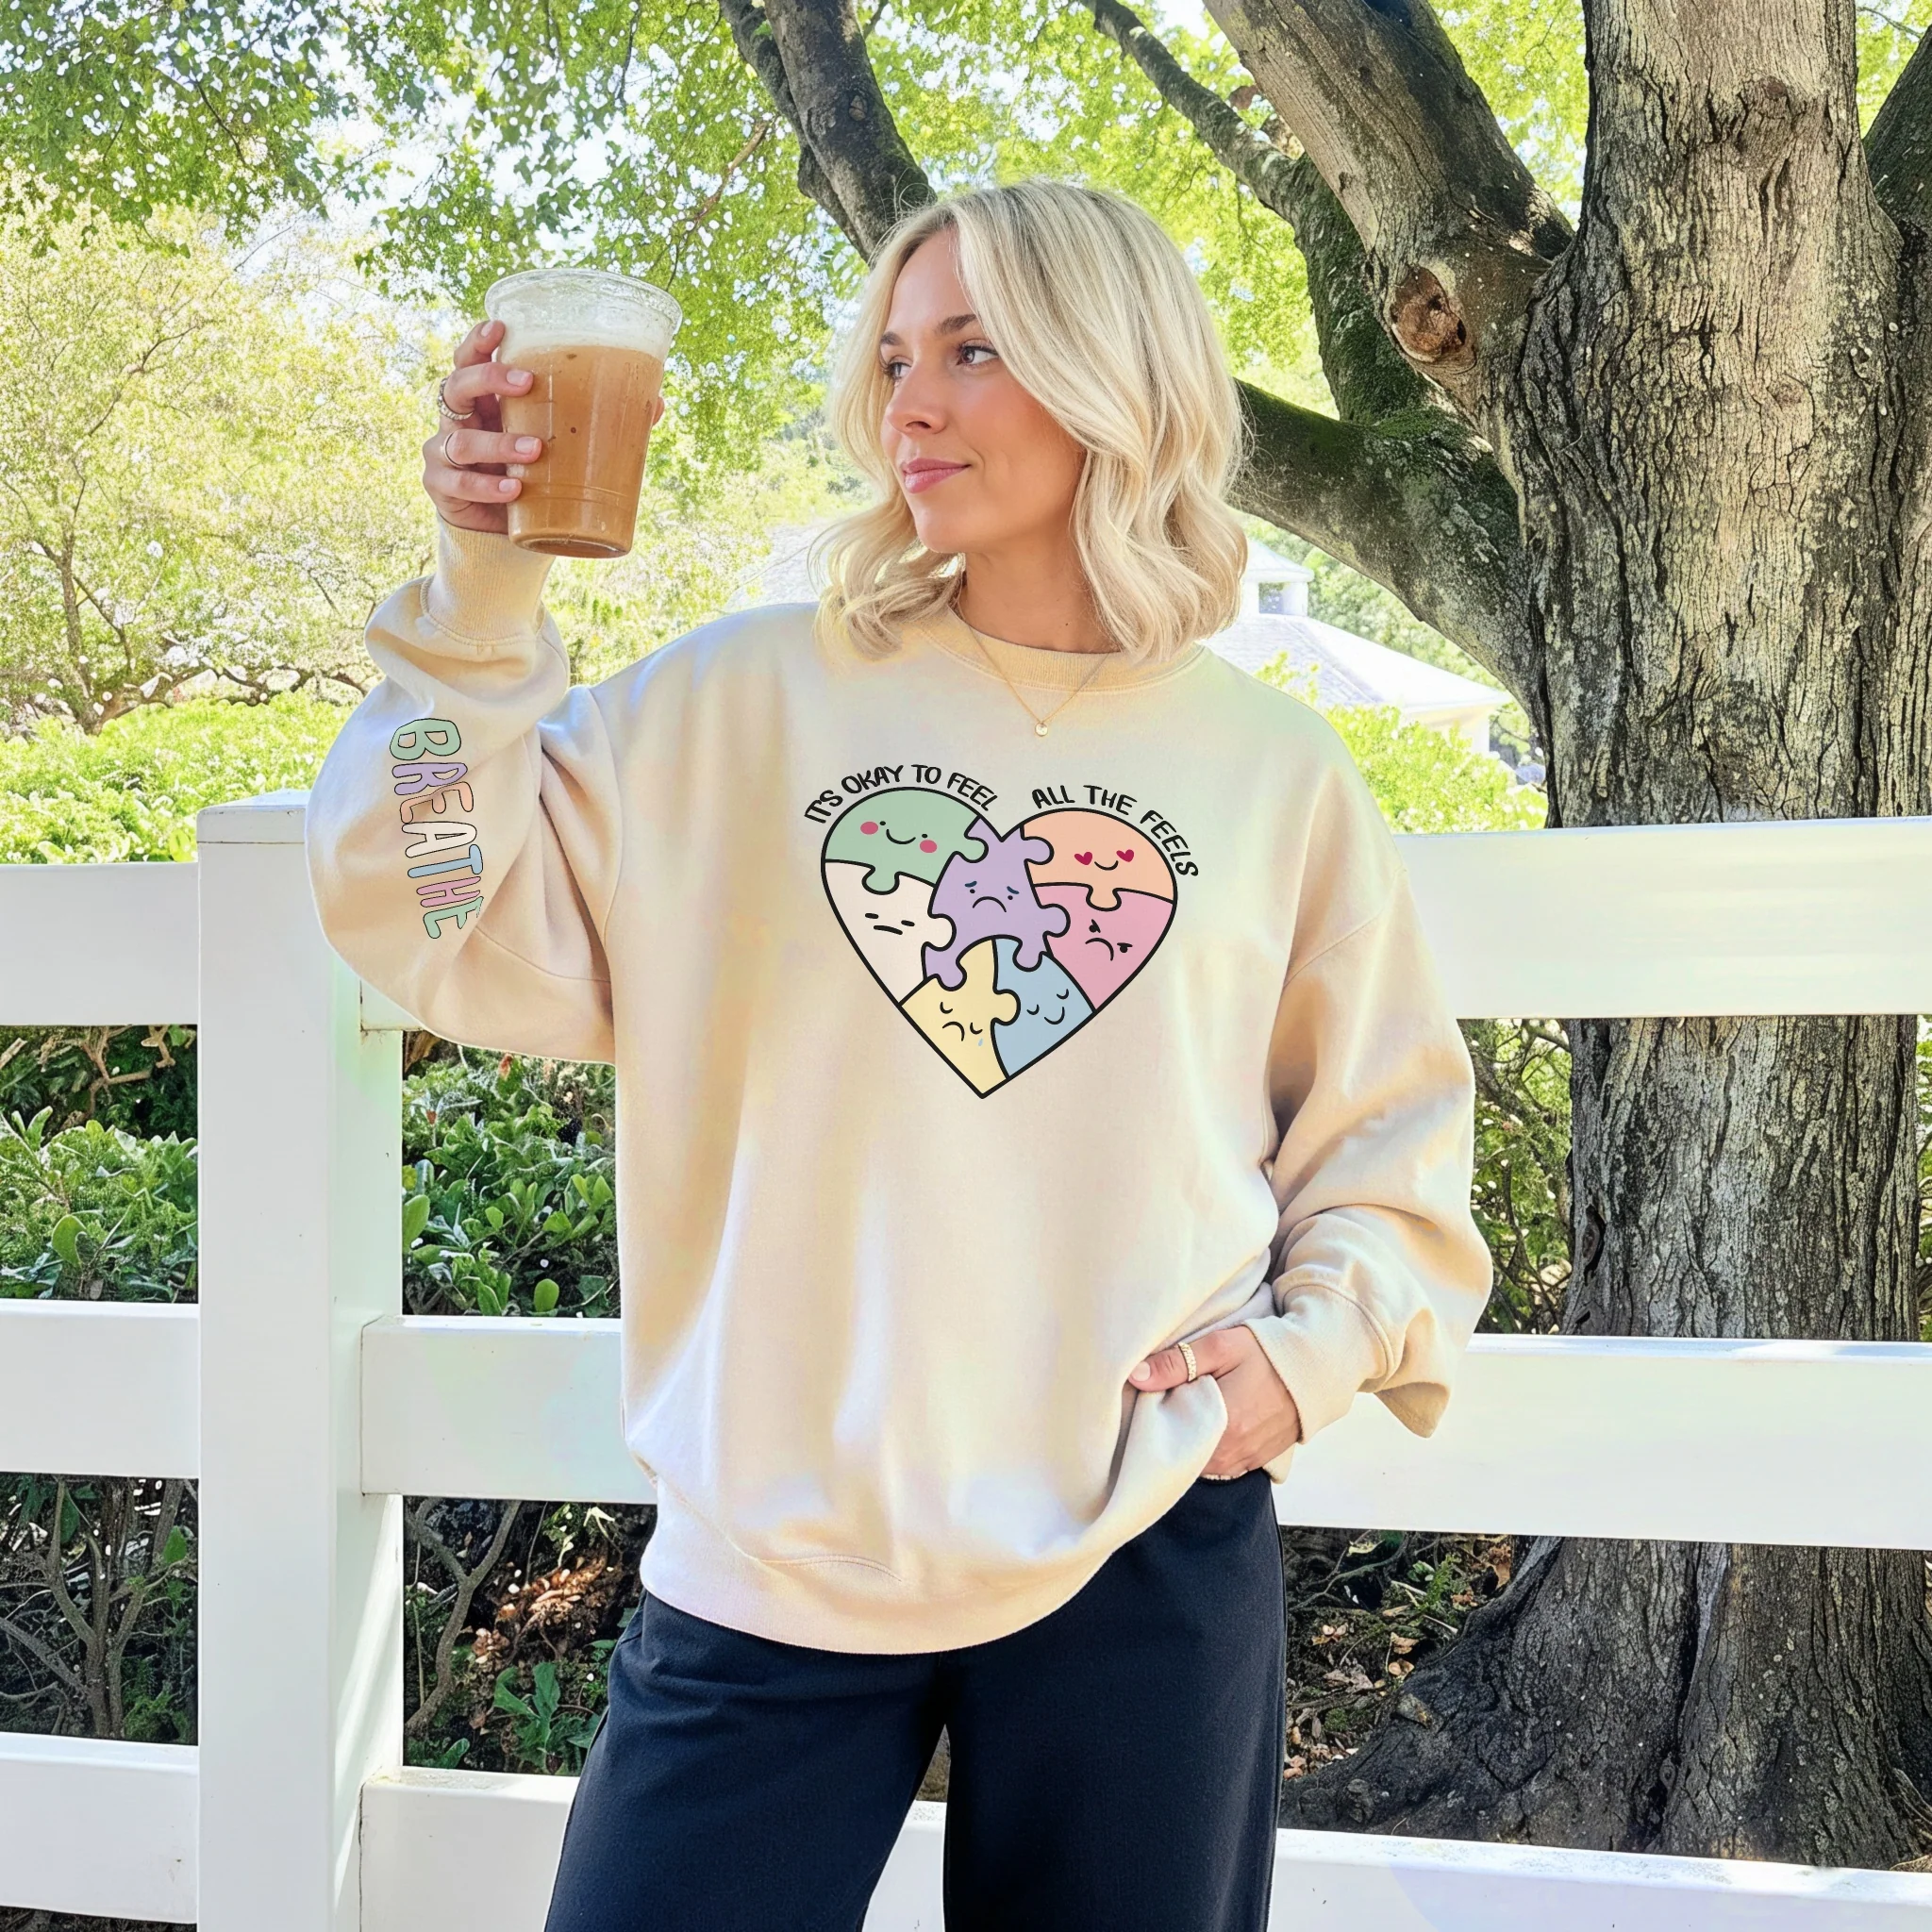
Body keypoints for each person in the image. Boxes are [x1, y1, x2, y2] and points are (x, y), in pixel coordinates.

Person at [306, 176, 1491, 1932]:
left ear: (1116, 373)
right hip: (775, 1551)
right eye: (892, 358)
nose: (909, 403)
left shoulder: (1275, 771)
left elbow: (1387, 1144)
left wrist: (1302, 1364)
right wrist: (478, 604)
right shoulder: (735, 702)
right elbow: (429, 896)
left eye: (973, 350)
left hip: (1144, 1536)